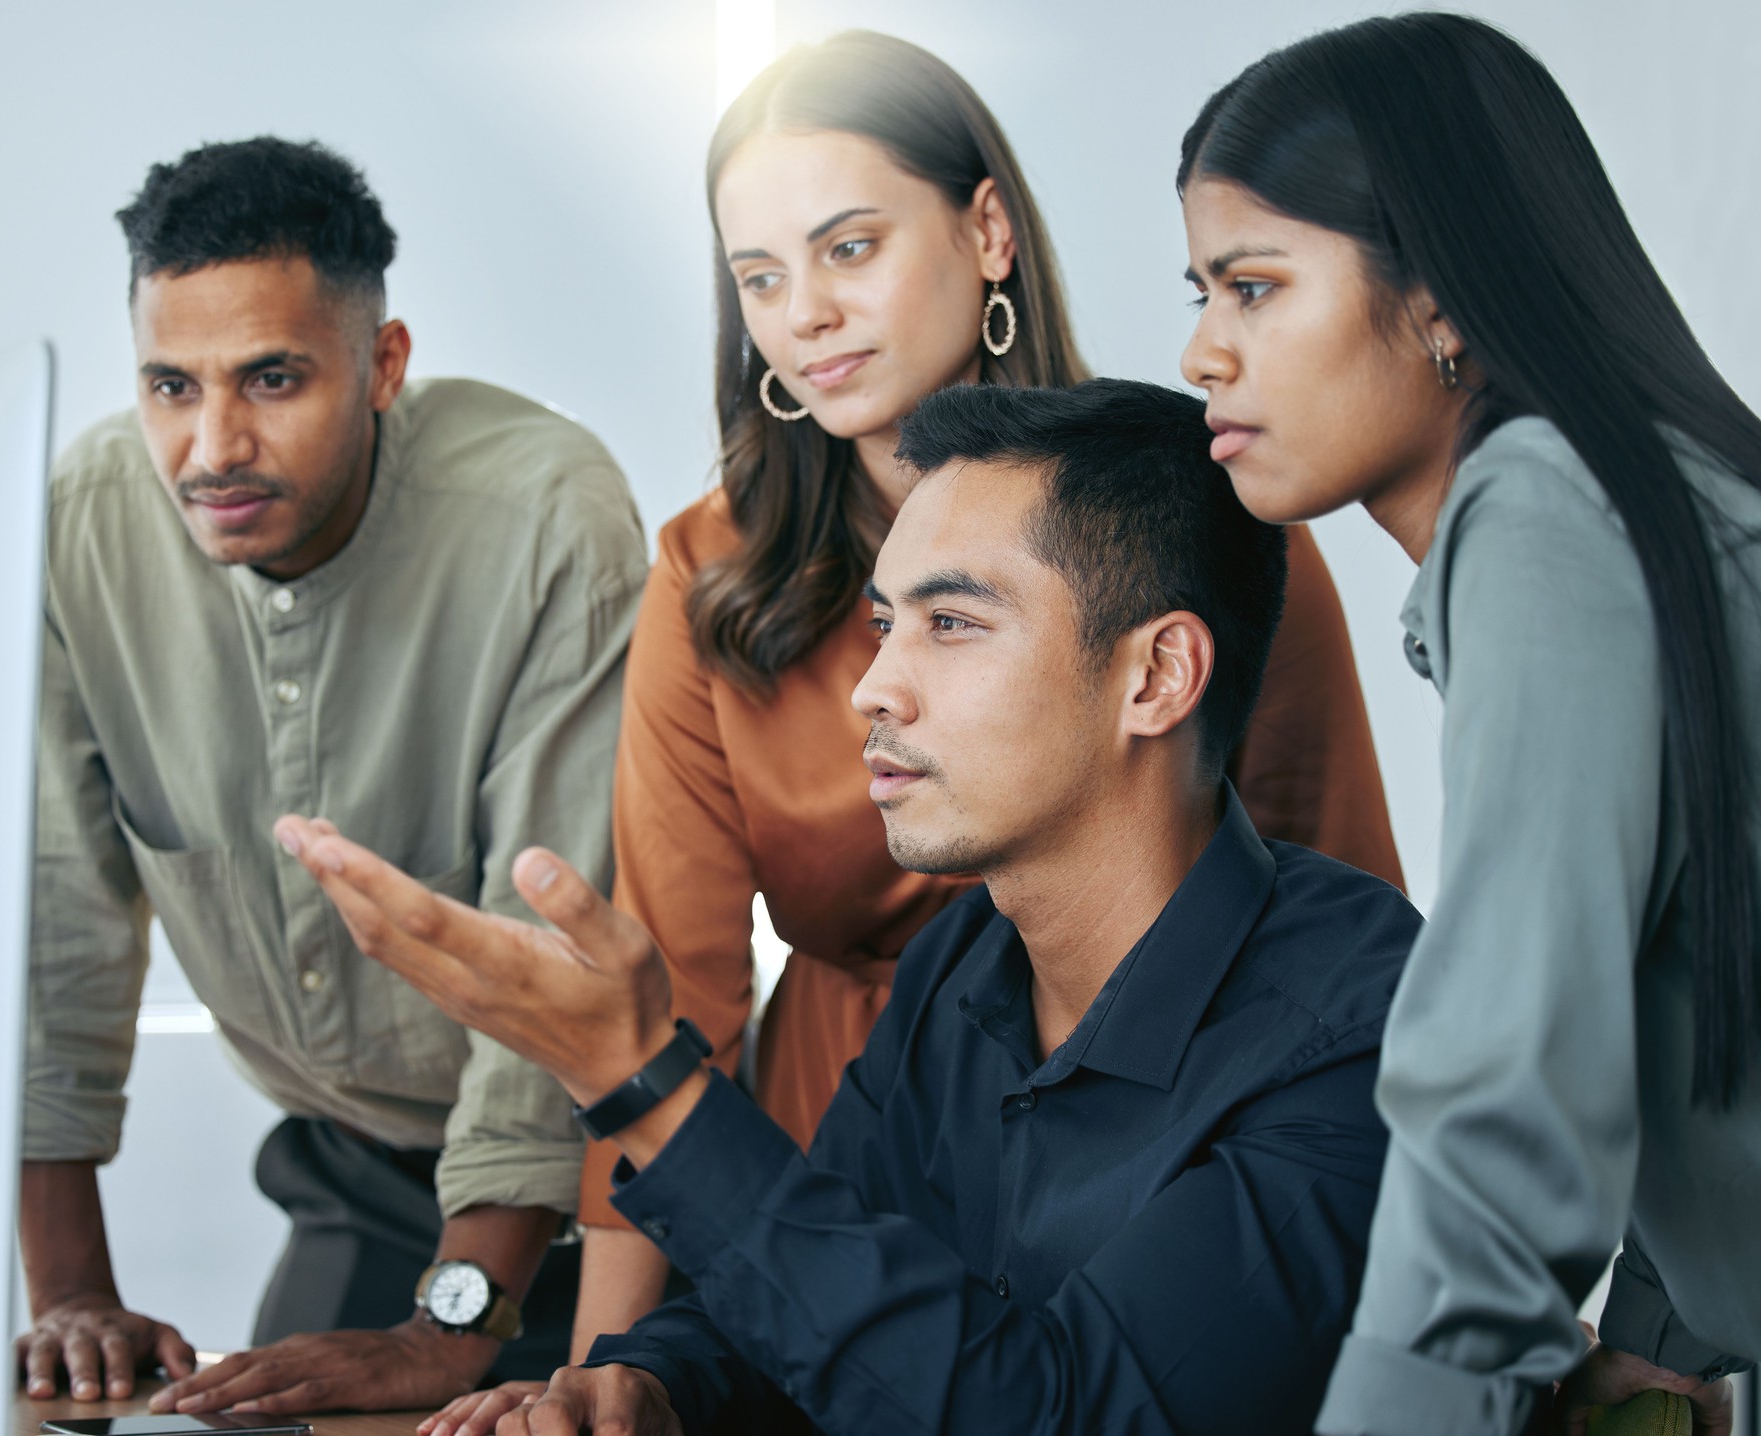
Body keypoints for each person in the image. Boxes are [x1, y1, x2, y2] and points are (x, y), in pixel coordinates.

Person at [278, 379, 1425, 1436]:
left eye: (954, 622)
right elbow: (832, 1287)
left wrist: (643, 1081)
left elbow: (1048, 1412)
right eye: (887, 622)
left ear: (1158, 675)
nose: (877, 685)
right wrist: (654, 1381)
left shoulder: (1358, 1025)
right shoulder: (966, 956)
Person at [572, 28, 1404, 1356]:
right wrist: (598, 1375)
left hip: (1154, 1176)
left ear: (988, 230)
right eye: (760, 277)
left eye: (850, 249)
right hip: (832, 1155)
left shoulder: (1203, 517)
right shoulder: (707, 575)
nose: (806, 316)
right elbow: (668, 993)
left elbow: (1334, 900)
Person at [1174, 15, 1761, 1435]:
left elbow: (1513, 1087)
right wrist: (1664, 1330)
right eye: (1200, 290)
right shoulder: (1642, 495)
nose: (1201, 352)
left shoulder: (1542, 508)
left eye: (1254, 287)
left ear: (1437, 296)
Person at [16, 136, 647, 1418]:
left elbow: (548, 960)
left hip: (613, 1169)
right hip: (351, 1160)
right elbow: (57, 930)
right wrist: (72, 1290)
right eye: (169, 385)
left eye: (271, 378)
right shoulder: (80, 526)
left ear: (385, 366)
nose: (211, 445)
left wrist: (447, 1323)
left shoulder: (546, 520)